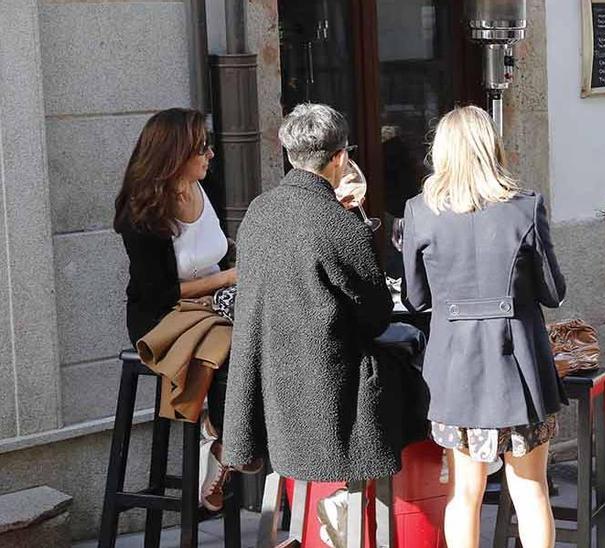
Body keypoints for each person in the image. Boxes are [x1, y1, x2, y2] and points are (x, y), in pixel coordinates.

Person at [222, 104, 428, 485]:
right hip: (333, 401)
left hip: (275, 395)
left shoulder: (258, 212)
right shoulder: (338, 224)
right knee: (414, 364)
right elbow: (378, 316)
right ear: (340, 157)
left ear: (289, 153)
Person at [400, 105, 565, 548]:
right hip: (519, 370)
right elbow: (553, 291)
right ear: (491, 148)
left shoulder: (420, 211)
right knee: (530, 490)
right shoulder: (526, 208)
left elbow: (416, 299)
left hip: (457, 371)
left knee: (463, 494)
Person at [114, 108, 239, 511]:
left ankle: (232, 433)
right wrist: (228, 279)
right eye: (202, 148)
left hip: (216, 305)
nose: (211, 155)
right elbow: (160, 293)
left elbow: (220, 252)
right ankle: (225, 439)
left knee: (275, 331)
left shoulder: (207, 186)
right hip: (163, 317)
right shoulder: (143, 211)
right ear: (175, 153)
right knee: (233, 344)